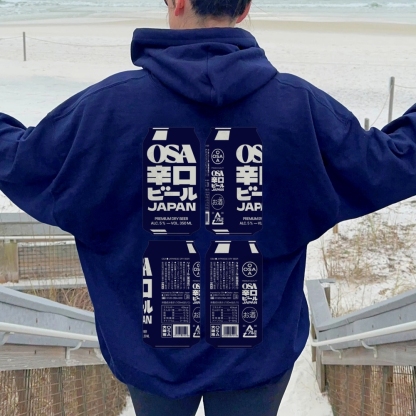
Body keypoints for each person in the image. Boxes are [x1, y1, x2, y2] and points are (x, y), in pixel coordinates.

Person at [0, 0, 415, 414]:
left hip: (151, 353)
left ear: (177, 2)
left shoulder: (106, 108)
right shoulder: (298, 109)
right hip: (257, 353)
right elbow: (391, 163)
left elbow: (21, 163)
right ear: (244, 8)